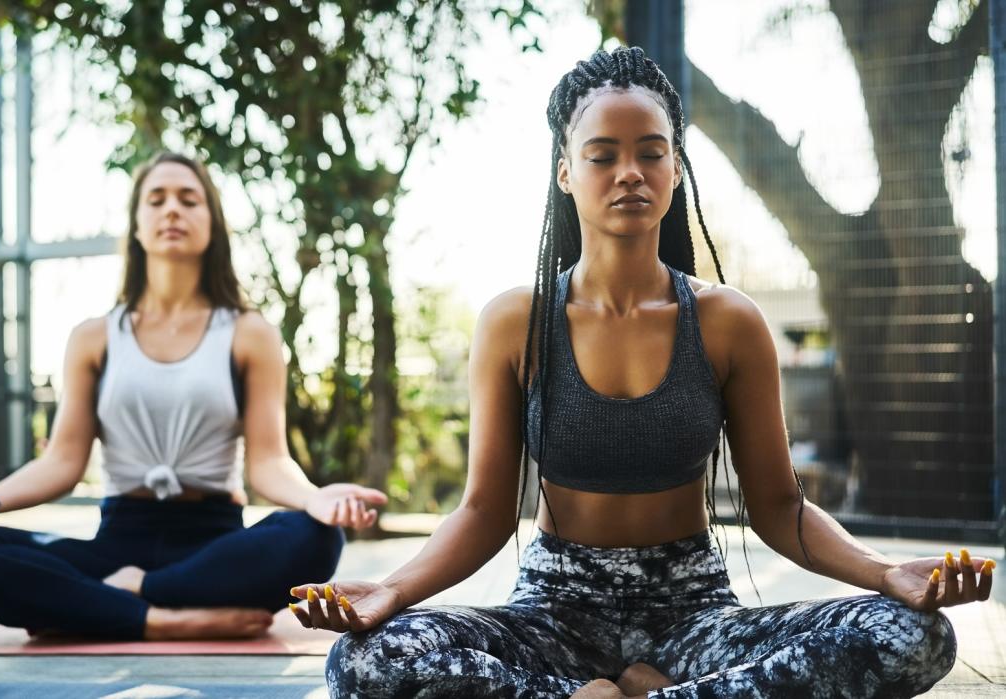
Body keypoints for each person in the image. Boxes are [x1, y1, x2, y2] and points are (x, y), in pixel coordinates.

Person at [290, 47, 993, 698]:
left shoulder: (727, 321)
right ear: (565, 171)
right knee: (364, 658)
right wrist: (391, 591)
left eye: (651, 153)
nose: (630, 171)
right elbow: (482, 512)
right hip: (554, 611)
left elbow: (781, 509)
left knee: (915, 635)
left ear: (676, 167)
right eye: (602, 155)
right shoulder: (516, 322)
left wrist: (886, 574)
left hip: (692, 612)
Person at [0, 152, 387, 641]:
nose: (172, 209)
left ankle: (114, 600)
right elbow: (62, 461)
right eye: (157, 199)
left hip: (213, 547)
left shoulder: (248, 333)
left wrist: (317, 499)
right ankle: (162, 619)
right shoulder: (94, 337)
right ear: (137, 224)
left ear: (211, 223)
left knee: (317, 535)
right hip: (117, 543)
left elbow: (268, 462)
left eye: (189, 199)